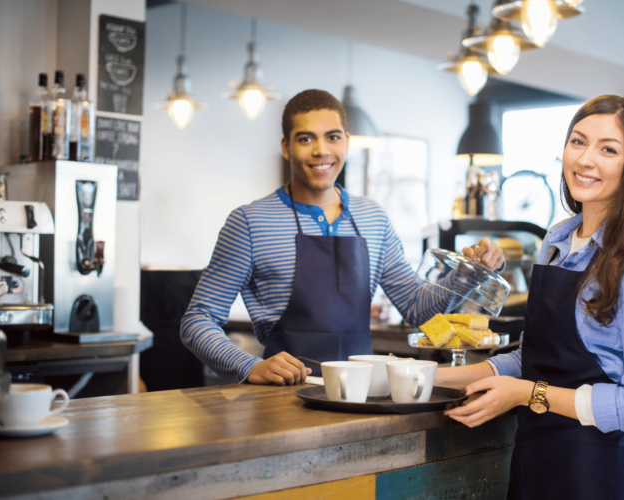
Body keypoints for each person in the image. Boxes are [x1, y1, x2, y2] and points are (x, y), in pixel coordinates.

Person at [435, 95, 624, 499]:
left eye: (608, 149)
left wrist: (525, 394)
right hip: (536, 467)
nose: (585, 159)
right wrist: (430, 379)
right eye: (578, 141)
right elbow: (536, 360)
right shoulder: (557, 240)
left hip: (597, 477)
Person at [180, 89, 503, 386]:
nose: (321, 151)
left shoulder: (372, 218)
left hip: (364, 393)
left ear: (346, 142)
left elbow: (418, 310)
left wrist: (467, 272)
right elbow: (197, 320)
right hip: (282, 396)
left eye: (332, 137)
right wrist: (249, 366)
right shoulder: (250, 222)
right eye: (306, 139)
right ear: (286, 147)